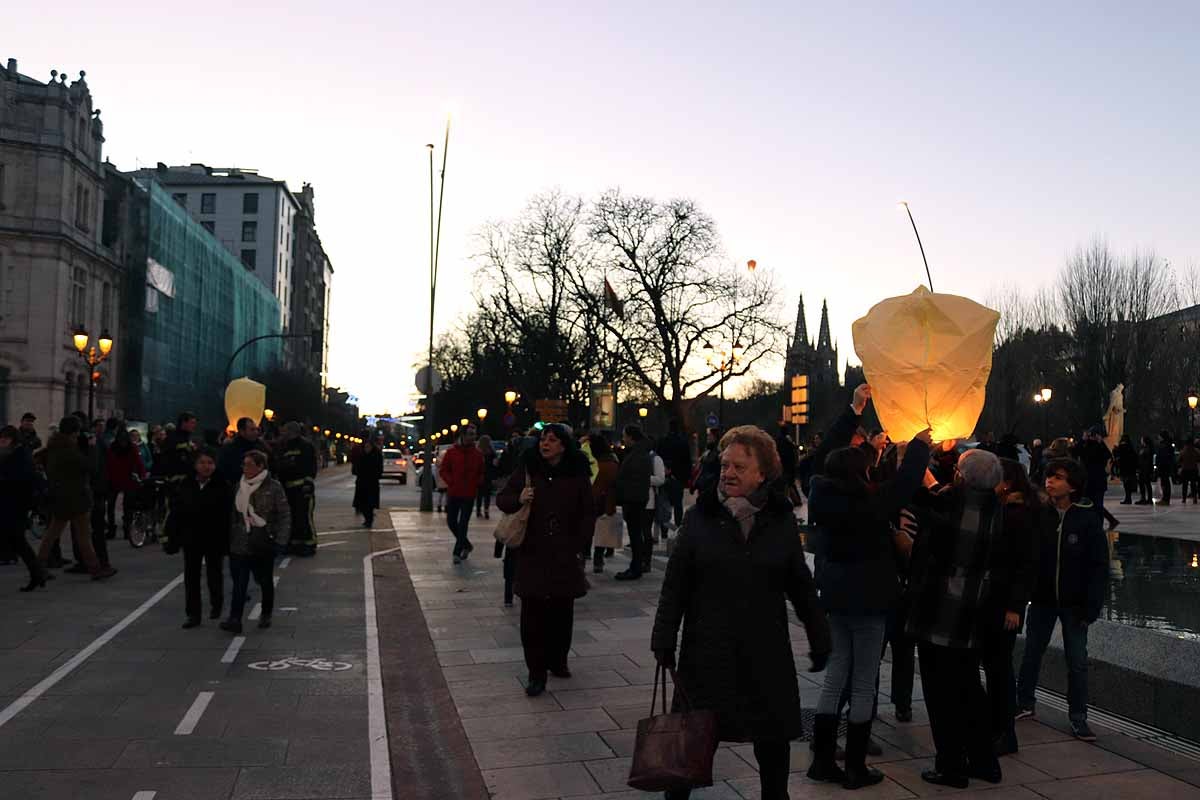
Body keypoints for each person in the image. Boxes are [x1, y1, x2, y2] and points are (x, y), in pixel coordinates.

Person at [652, 425, 831, 800]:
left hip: (765, 653)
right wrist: (664, 639)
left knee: (773, 744)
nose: (728, 473)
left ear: (763, 473)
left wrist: (819, 634)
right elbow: (676, 585)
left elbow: (799, 582)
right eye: (725, 465)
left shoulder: (780, 519)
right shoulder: (699, 517)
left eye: (739, 467)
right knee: (691, 748)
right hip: (708, 653)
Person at [807, 385, 930, 790]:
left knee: (835, 675)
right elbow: (907, 483)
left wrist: (854, 412)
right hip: (870, 601)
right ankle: (856, 767)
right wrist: (918, 443)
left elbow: (830, 451)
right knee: (862, 682)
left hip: (835, 599)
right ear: (859, 474)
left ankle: (822, 761)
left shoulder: (819, 495)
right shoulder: (870, 504)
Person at [905, 449, 1009, 789]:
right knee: (969, 689)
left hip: (940, 611)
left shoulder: (949, 507)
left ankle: (950, 766)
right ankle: (984, 762)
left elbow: (923, 545)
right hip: (974, 614)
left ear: (962, 477)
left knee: (940, 694)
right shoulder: (998, 509)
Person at [495, 424, 595, 698]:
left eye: (552, 440)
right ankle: (535, 673)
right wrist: (519, 497)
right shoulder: (528, 468)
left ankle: (558, 659)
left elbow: (588, 512)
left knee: (562, 611)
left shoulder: (577, 473)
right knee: (532, 616)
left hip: (564, 553)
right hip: (532, 552)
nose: (545, 444)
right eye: (543, 439)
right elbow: (502, 499)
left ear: (564, 445)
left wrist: (579, 545)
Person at [1016, 458, 1109, 742]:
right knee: (1032, 651)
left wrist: (1092, 606)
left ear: (1073, 485)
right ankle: (1024, 702)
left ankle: (1078, 716)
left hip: (1075, 603)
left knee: (1077, 661)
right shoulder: (1041, 514)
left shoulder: (1087, 519)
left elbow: (1099, 567)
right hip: (1043, 599)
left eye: (1057, 477)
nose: (1049, 482)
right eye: (1048, 476)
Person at [986, 458, 1042, 757]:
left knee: (999, 669)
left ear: (1005, 482)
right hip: (998, 600)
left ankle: (1005, 732)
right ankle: (998, 728)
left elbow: (1024, 565)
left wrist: (1015, 606)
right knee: (996, 667)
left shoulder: (1017, 514)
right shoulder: (1007, 509)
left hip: (1004, 604)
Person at [35, 416, 115, 580]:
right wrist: (92, 448)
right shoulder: (68, 449)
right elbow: (90, 467)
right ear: (74, 432)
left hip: (60, 496)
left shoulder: (54, 445)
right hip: (76, 497)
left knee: (52, 533)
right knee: (84, 536)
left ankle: (38, 566)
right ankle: (95, 569)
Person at [221, 450, 290, 634]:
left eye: (249, 464)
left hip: (263, 541)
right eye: (244, 464)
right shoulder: (239, 486)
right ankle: (235, 618)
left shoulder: (274, 487)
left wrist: (281, 540)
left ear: (261, 466)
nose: (245, 468)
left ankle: (266, 613)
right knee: (239, 583)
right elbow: (232, 516)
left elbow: (284, 514)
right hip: (240, 542)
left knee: (265, 580)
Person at [170, 448, 232, 628]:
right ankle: (193, 614)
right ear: (195, 465)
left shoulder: (222, 485)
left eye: (210, 463)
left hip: (214, 537)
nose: (206, 466)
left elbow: (227, 514)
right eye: (202, 463)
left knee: (214, 574)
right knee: (191, 577)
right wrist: (173, 536)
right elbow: (177, 511)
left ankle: (216, 603)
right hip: (191, 537)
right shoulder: (186, 484)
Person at [1, 425, 48, 591]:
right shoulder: (11, 455)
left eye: (5, 439)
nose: (2, 442)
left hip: (15, 506)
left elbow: (20, 482)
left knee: (18, 542)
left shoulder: (19, 456)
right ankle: (38, 574)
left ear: (12, 440)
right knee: (19, 543)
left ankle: (38, 574)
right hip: (10, 506)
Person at [440, 425, 485, 564]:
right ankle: (466, 545)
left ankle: (457, 552)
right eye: (470, 434)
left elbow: (481, 471)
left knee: (463, 523)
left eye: (474, 434)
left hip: (469, 493)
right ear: (463, 435)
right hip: (454, 492)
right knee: (451, 522)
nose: (473, 437)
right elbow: (444, 469)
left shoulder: (477, 454)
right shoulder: (452, 452)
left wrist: (477, 482)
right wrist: (451, 481)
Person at [613, 425, 653, 581]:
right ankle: (636, 565)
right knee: (636, 534)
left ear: (631, 437)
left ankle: (636, 567)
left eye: (624, 436)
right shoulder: (641, 452)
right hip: (636, 498)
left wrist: (621, 490)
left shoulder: (638, 454)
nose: (623, 439)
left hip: (634, 499)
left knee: (635, 534)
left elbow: (632, 478)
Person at [275, 422, 318, 556]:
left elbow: (310, 466)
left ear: (291, 432)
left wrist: (308, 484)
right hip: (287, 489)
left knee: (304, 516)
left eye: (285, 431)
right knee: (292, 517)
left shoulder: (305, 446)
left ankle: (309, 544)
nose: (283, 434)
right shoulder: (284, 446)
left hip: (301, 487)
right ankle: (295, 544)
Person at [104, 427, 146, 541]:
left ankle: (115, 529)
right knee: (126, 507)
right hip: (126, 479)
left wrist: (141, 475)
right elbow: (139, 463)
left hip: (119, 479)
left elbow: (108, 463)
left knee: (117, 506)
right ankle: (125, 530)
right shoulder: (131, 447)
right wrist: (142, 476)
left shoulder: (114, 447)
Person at [1071, 427, 1118, 530]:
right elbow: (1108, 455)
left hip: (1092, 479)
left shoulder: (1088, 446)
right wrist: (1099, 442)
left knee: (1094, 504)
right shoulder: (1096, 446)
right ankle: (1100, 524)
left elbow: (1075, 452)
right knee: (1097, 504)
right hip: (1096, 479)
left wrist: (1084, 440)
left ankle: (1096, 525)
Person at [588, 434, 620, 574]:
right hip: (607, 500)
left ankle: (585, 556)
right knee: (602, 530)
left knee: (588, 530)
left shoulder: (594, 462)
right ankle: (598, 560)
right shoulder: (613, 461)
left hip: (593, 499)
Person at [657, 419, 692, 527]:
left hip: (665, 475)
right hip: (678, 477)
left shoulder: (663, 441)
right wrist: (685, 478)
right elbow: (687, 462)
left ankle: (664, 530)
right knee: (678, 505)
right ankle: (678, 527)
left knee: (664, 503)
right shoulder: (683, 442)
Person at [217, 417, 268, 484]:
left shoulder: (261, 446)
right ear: (242, 431)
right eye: (252, 430)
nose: (256, 432)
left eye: (256, 429)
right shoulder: (230, 449)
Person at [353, 437, 383, 528]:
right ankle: (367, 519)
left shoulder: (376, 454)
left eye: (368, 446)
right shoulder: (361, 454)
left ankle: (369, 520)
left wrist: (375, 475)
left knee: (370, 504)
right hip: (362, 482)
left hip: (371, 483)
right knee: (362, 503)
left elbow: (379, 468)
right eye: (366, 446)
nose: (367, 448)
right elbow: (355, 467)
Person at [692, 427, 721, 495]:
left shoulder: (716, 454)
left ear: (715, 438)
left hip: (709, 489)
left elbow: (712, 473)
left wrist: (700, 483)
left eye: (709, 436)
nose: (708, 438)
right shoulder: (708, 452)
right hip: (704, 488)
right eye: (708, 436)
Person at [475, 435, 498, 519]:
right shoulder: (491, 452)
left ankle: (478, 511)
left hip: (479, 475)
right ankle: (486, 511)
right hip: (488, 475)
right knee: (487, 494)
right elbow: (495, 464)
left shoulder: (477, 452)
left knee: (479, 495)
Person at [1114, 434, 1139, 505]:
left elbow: (1118, 456)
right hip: (1130, 468)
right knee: (1128, 484)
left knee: (1126, 484)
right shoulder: (1130, 447)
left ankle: (1128, 499)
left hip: (1124, 468)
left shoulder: (1122, 446)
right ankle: (1128, 498)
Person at [1155, 431, 1176, 505]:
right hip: (1165, 466)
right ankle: (1165, 498)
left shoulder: (1165, 445)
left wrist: (1159, 464)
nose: (1158, 438)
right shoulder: (1167, 444)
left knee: (1165, 483)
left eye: (1159, 436)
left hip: (1164, 466)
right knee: (1165, 482)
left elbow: (1163, 456)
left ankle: (1165, 499)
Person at [1136, 435, 1156, 504]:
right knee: (1145, 484)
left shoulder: (1147, 449)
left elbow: (1146, 460)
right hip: (1144, 469)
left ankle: (1145, 498)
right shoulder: (1146, 448)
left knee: (1145, 484)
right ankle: (1146, 498)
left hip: (1145, 469)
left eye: (1142, 439)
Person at [1179, 439, 1200, 504]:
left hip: (1185, 469)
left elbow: (1180, 460)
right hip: (1194, 469)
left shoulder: (1183, 451)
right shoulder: (1196, 451)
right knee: (1193, 484)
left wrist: (1180, 469)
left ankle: (1184, 498)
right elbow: (1198, 460)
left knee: (1184, 485)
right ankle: (1194, 498)